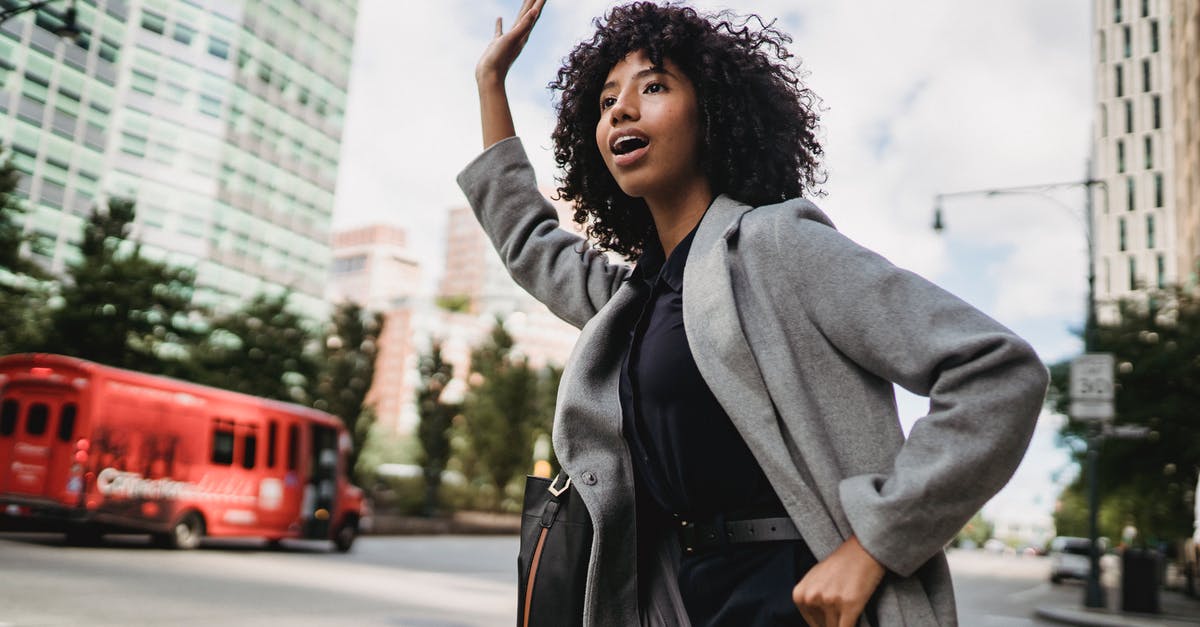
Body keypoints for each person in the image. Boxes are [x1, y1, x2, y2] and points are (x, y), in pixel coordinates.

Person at [460, 2, 1049, 626]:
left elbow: (997, 370)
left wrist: (876, 543)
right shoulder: (632, 302)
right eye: (606, 102)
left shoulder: (774, 246)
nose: (621, 111)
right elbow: (529, 241)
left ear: (712, 112)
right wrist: (491, 86)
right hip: (686, 598)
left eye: (653, 86)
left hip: (798, 600)